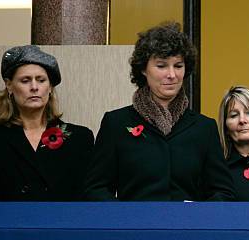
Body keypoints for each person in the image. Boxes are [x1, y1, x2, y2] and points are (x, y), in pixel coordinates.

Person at [83, 23, 235, 201]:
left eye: (178, 66)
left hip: (188, 226)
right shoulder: (116, 123)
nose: (171, 74)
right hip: (134, 227)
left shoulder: (204, 127)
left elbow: (223, 192)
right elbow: (96, 188)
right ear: (143, 69)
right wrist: (123, 218)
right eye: (161, 66)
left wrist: (199, 217)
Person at [0, 45, 94, 201]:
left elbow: (86, 200)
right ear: (9, 85)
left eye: (41, 80)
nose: (34, 87)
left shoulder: (79, 138)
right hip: (11, 223)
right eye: (25, 80)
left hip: (63, 223)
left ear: (50, 87)